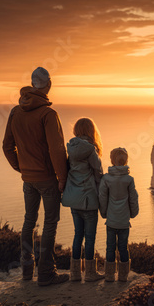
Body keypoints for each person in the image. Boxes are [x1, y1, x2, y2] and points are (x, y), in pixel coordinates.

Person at [2, 67, 69, 286]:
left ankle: (27, 270)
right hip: (48, 179)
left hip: (28, 179)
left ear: (32, 85)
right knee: (50, 223)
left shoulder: (15, 111)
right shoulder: (48, 114)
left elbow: (6, 146)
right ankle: (47, 273)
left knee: (29, 221)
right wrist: (62, 177)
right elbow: (57, 149)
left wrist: (20, 167)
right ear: (48, 85)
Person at [61, 118, 105, 282]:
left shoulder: (70, 148)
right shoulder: (91, 150)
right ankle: (90, 273)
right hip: (89, 199)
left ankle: (75, 273)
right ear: (91, 131)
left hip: (74, 199)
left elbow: (66, 171)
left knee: (77, 235)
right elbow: (99, 174)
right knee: (90, 237)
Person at [99, 147, 139, 282]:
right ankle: (123, 276)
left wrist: (104, 213)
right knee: (123, 247)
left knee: (110, 248)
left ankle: (109, 275)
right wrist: (133, 214)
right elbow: (133, 199)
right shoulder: (129, 179)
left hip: (111, 221)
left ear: (112, 160)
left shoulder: (106, 178)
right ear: (126, 160)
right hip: (123, 222)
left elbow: (102, 198)